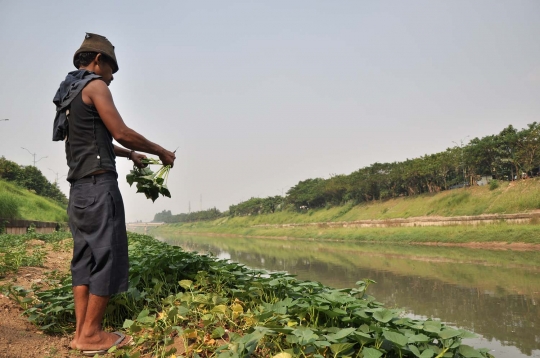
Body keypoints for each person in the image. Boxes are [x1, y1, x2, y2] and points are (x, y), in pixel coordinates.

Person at [52, 33, 176, 355]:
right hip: (98, 188)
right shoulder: (96, 86)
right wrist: (160, 150)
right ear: (98, 60)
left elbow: (98, 139)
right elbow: (120, 131)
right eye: (111, 69)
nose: (111, 77)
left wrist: (128, 155)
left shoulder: (69, 94)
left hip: (78, 191)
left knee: (84, 259)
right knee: (107, 257)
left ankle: (81, 333)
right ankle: (92, 335)